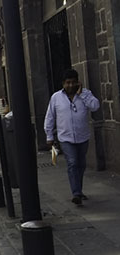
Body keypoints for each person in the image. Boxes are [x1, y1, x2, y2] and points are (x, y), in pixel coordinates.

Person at [44, 69, 100, 205]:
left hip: (82, 137)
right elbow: (50, 117)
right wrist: (49, 135)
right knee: (73, 163)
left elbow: (95, 106)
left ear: (78, 83)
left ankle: (79, 190)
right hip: (65, 138)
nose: (70, 85)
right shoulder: (56, 97)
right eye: (68, 83)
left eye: (73, 82)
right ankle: (76, 193)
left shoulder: (85, 94)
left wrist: (82, 95)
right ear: (63, 84)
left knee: (81, 165)